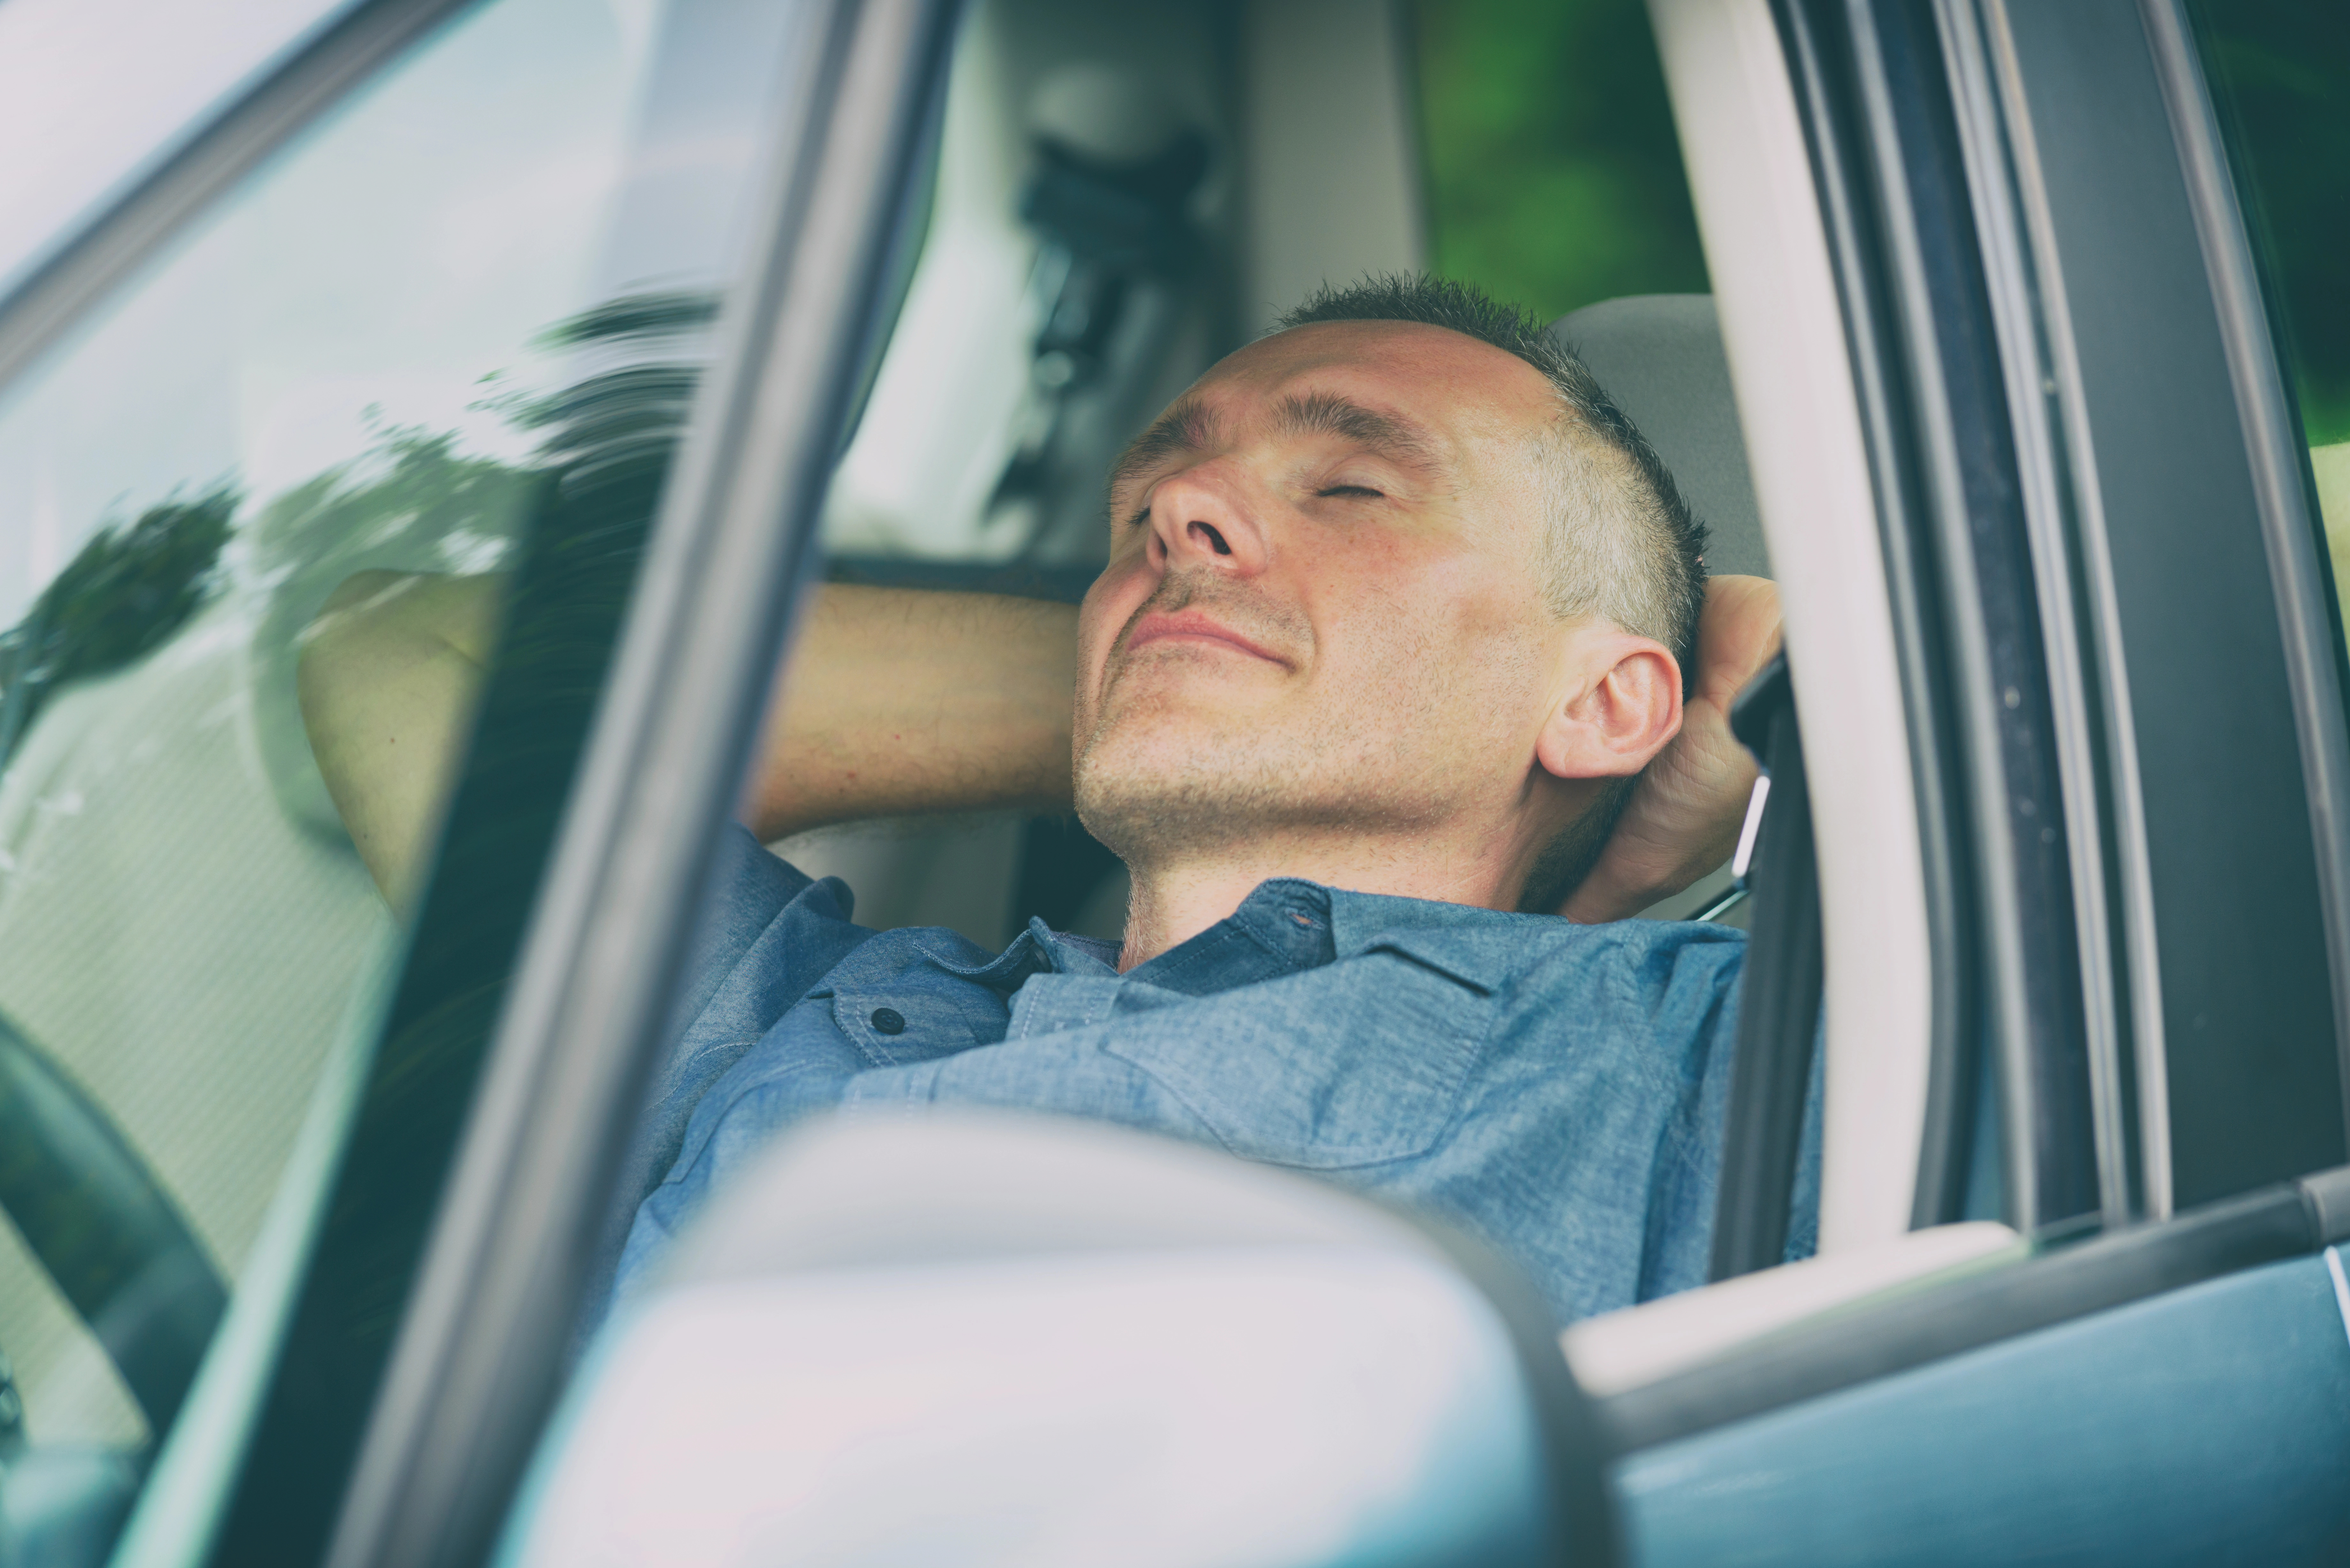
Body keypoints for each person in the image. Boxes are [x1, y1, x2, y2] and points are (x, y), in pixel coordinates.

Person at [298, 275, 1805, 1327]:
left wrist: (1822, 692)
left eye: (1351, 486)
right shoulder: (796, 1015)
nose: (1173, 514)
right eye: (1151, 503)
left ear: (1608, 702)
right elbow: (398, 657)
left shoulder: (1692, 1056)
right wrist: (1152, 672)